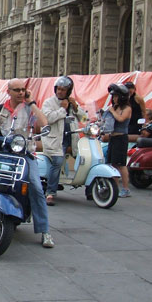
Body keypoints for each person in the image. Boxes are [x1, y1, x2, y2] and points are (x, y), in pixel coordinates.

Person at [0, 78, 54, 248]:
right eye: (17, 90)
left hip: (25, 155)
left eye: (23, 89)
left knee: (36, 188)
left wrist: (32, 103)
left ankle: (45, 231)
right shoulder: (1, 108)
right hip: (4, 153)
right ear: (9, 92)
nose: (21, 93)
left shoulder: (30, 109)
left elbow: (44, 123)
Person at [41, 76, 87, 206]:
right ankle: (50, 192)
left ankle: (90, 189)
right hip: (55, 140)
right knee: (57, 161)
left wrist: (76, 107)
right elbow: (48, 118)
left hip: (71, 138)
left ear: (69, 91)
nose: (60, 92)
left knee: (85, 159)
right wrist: (62, 109)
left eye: (63, 90)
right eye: (59, 89)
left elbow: (84, 119)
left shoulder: (71, 103)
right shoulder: (49, 102)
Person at [104, 83, 132, 198]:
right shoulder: (115, 108)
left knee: (121, 164)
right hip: (113, 137)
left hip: (121, 138)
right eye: (113, 96)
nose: (114, 98)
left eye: (116, 96)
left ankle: (126, 189)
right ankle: (114, 187)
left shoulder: (127, 108)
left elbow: (121, 118)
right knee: (112, 164)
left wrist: (112, 111)